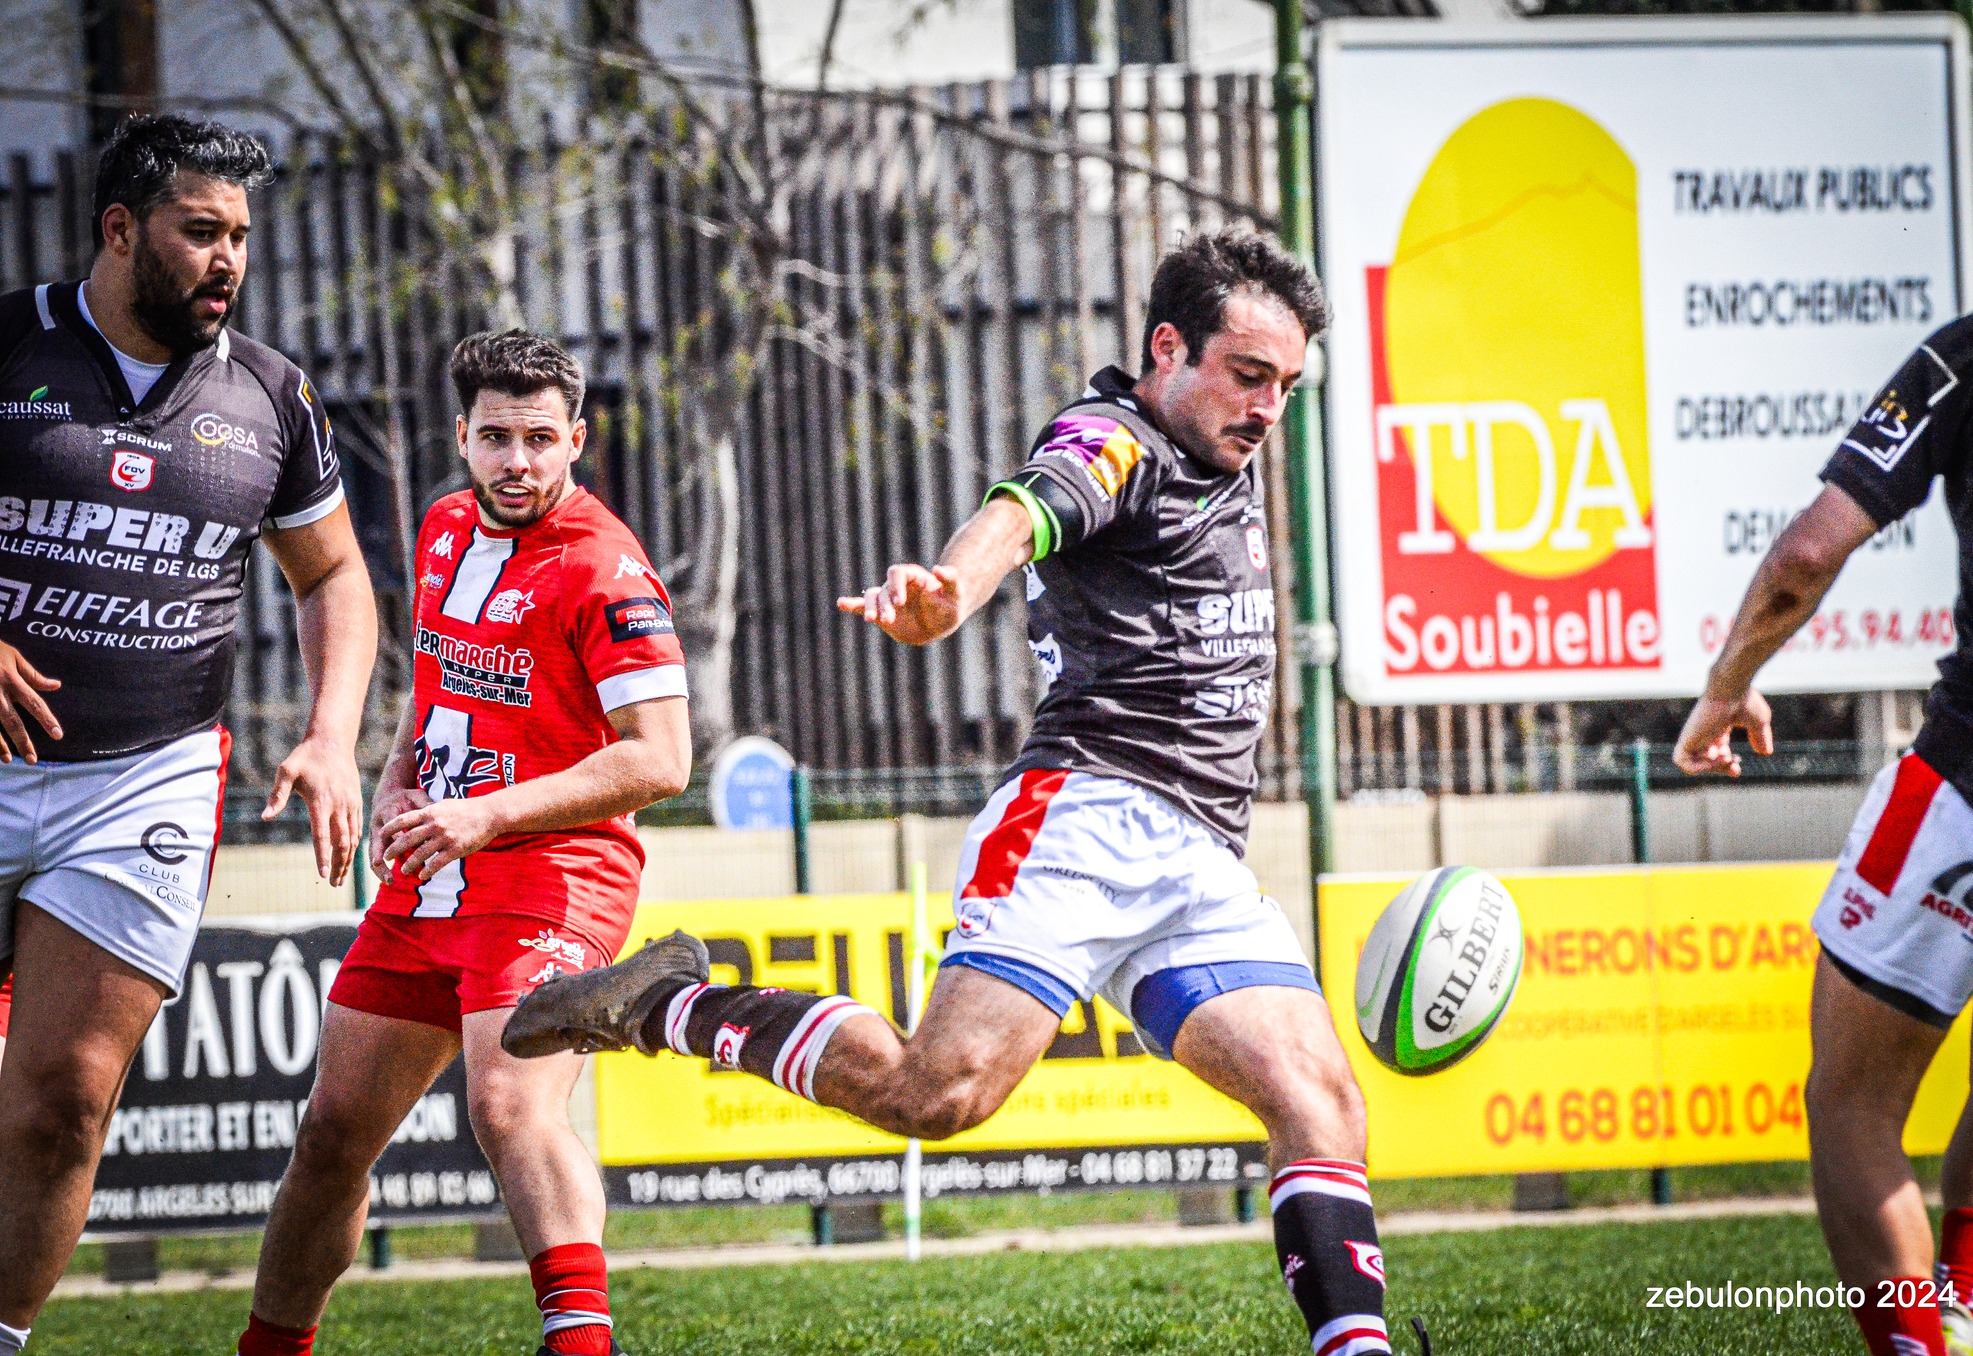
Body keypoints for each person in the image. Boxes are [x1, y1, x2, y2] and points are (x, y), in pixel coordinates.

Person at [506, 230, 1398, 1356]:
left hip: (1201, 856)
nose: (1266, 407)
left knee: (1321, 1104)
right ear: (1165, 349)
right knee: (940, 1095)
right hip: (1082, 818)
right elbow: (1027, 505)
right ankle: (662, 1003)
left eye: (1285, 385)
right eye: (1247, 374)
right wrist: (949, 589)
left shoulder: (1223, 448)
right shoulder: (1113, 439)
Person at [1675, 43, 1973, 1356]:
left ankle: (1917, 1344)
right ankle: (1969, 1319)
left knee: (1850, 1105)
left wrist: (1725, 691)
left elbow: (1807, 554)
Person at [0, 114, 376, 1354]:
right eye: (200, 232)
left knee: (63, 1103)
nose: (228, 261)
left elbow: (333, 580)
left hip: (146, 779)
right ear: (120, 230)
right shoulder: (9, 345)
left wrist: (331, 737)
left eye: (242, 239)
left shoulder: (269, 396)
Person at [236, 331, 691, 1356]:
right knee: (332, 1133)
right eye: (496, 437)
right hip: (434, 866)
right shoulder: (443, 525)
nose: (517, 462)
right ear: (463, 438)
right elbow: (440, 671)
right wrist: (397, 768)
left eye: (540, 439)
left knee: (508, 1103)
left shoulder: (605, 570)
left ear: (576, 439)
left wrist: (486, 813)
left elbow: (663, 760)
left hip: (553, 871)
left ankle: (581, 1344)